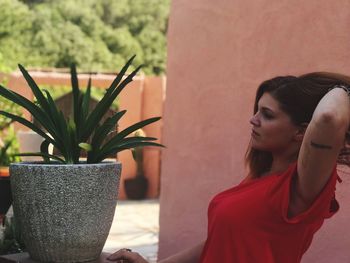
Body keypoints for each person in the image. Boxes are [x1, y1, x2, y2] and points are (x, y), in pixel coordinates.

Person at [107, 72, 350, 263]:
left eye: (267, 114)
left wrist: (342, 88)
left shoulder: (302, 187)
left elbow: (328, 117)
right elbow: (220, 241)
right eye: (257, 111)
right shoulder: (259, 179)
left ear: (300, 132)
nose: (253, 120)